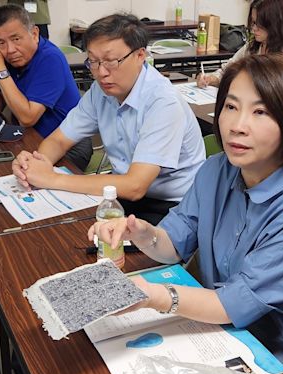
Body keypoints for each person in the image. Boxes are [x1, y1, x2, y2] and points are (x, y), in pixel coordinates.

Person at [90, 55, 283, 374]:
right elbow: (173, 243)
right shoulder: (217, 170)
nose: (237, 125)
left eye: (260, 112)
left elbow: (235, 303)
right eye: (231, 107)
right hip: (226, 332)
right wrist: (138, 231)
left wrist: (155, 295)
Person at [12, 14, 205, 225]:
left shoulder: (163, 102)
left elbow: (135, 186)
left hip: (174, 206)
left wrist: (52, 178)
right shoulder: (100, 91)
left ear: (140, 55)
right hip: (121, 192)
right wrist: (37, 164)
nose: (101, 73)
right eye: (93, 61)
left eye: (111, 61)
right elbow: (58, 140)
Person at [0, 4, 92, 171]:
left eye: (16, 39)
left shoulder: (50, 58)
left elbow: (27, 118)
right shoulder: (9, 59)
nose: (10, 50)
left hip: (68, 146)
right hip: (29, 139)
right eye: (1, 43)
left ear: (34, 34)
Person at [197, 0, 283, 88]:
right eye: (253, 22)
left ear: (275, 24)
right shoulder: (253, 47)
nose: (254, 28)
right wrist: (210, 79)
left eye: (260, 24)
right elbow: (229, 69)